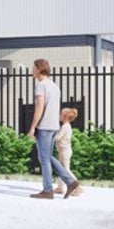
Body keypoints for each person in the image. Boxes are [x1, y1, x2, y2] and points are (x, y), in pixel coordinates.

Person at [29, 59, 81, 199]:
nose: (31, 70)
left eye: (33, 68)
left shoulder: (41, 85)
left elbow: (39, 107)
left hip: (44, 126)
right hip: (53, 126)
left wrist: (33, 127)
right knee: (46, 156)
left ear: (40, 69)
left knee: (44, 159)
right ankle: (71, 182)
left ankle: (48, 190)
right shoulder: (54, 86)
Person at [52, 106, 78, 195]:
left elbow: (58, 137)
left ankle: (78, 187)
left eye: (61, 114)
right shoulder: (66, 126)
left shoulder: (65, 126)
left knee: (65, 170)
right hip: (63, 151)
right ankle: (60, 187)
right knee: (61, 169)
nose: (59, 116)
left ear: (65, 117)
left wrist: (50, 137)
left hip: (64, 151)